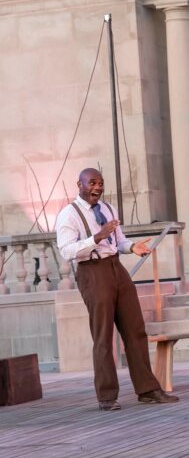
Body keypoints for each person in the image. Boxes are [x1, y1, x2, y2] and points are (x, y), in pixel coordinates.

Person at [55, 168, 179, 410]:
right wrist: (97, 237)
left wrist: (133, 247)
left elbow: (119, 241)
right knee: (103, 335)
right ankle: (107, 396)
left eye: (100, 183)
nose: (97, 187)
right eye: (92, 183)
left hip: (115, 268)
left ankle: (147, 389)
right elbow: (67, 251)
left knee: (136, 330)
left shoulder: (108, 208)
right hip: (92, 271)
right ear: (79, 185)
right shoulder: (69, 215)